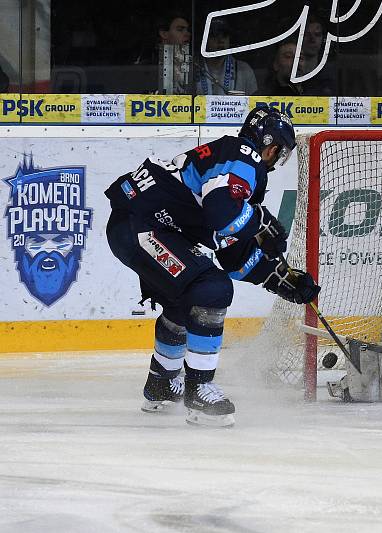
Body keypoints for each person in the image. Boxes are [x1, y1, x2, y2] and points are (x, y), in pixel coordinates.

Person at [104, 106, 320, 427]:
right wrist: (261, 222)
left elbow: (233, 256)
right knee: (212, 289)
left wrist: (280, 279)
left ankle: (161, 383)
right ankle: (199, 389)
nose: (276, 160)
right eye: (279, 153)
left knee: (187, 298)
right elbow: (223, 214)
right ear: (271, 146)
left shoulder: (230, 160)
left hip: (137, 224)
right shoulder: (244, 158)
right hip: (142, 227)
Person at [196, 19, 258, 95]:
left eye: (224, 35)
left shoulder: (244, 70)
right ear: (204, 39)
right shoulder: (191, 68)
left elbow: (253, 103)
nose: (221, 40)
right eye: (215, 35)